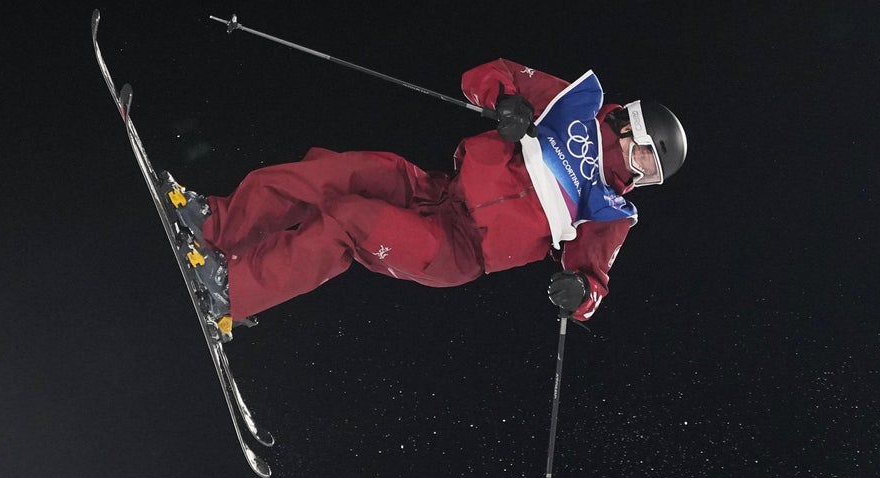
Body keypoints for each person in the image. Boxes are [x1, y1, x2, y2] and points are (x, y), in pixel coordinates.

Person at [160, 58, 687, 341]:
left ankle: (232, 292)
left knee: (349, 219)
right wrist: (507, 101)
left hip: (456, 248)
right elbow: (489, 73)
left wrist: (579, 293)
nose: (639, 174)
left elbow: (594, 282)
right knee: (336, 172)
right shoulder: (572, 106)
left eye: (650, 174)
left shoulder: (611, 209)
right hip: (439, 190)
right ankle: (214, 224)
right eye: (645, 158)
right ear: (632, 128)